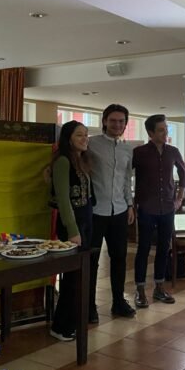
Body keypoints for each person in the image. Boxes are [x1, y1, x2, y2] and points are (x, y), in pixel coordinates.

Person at [132, 114, 185, 308]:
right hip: (146, 208)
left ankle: (159, 287)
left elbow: (183, 172)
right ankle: (140, 290)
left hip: (167, 208)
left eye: (166, 129)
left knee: (164, 248)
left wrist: (179, 198)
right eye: (161, 130)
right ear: (150, 132)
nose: (165, 133)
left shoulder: (173, 151)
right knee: (144, 249)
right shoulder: (139, 152)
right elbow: (124, 173)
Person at [88, 104, 136, 319]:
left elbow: (126, 180)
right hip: (95, 211)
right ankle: (89, 306)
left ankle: (118, 302)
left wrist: (129, 205)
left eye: (121, 121)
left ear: (125, 124)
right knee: (92, 260)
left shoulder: (127, 149)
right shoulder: (91, 144)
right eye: (113, 120)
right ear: (105, 121)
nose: (117, 125)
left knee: (119, 258)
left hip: (119, 211)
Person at [50, 120, 94, 341]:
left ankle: (71, 321)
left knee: (79, 275)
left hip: (85, 221)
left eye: (86, 135)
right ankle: (60, 326)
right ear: (68, 139)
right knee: (71, 277)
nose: (84, 139)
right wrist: (73, 230)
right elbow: (63, 199)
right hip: (72, 225)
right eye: (79, 135)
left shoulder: (82, 160)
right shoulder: (63, 161)